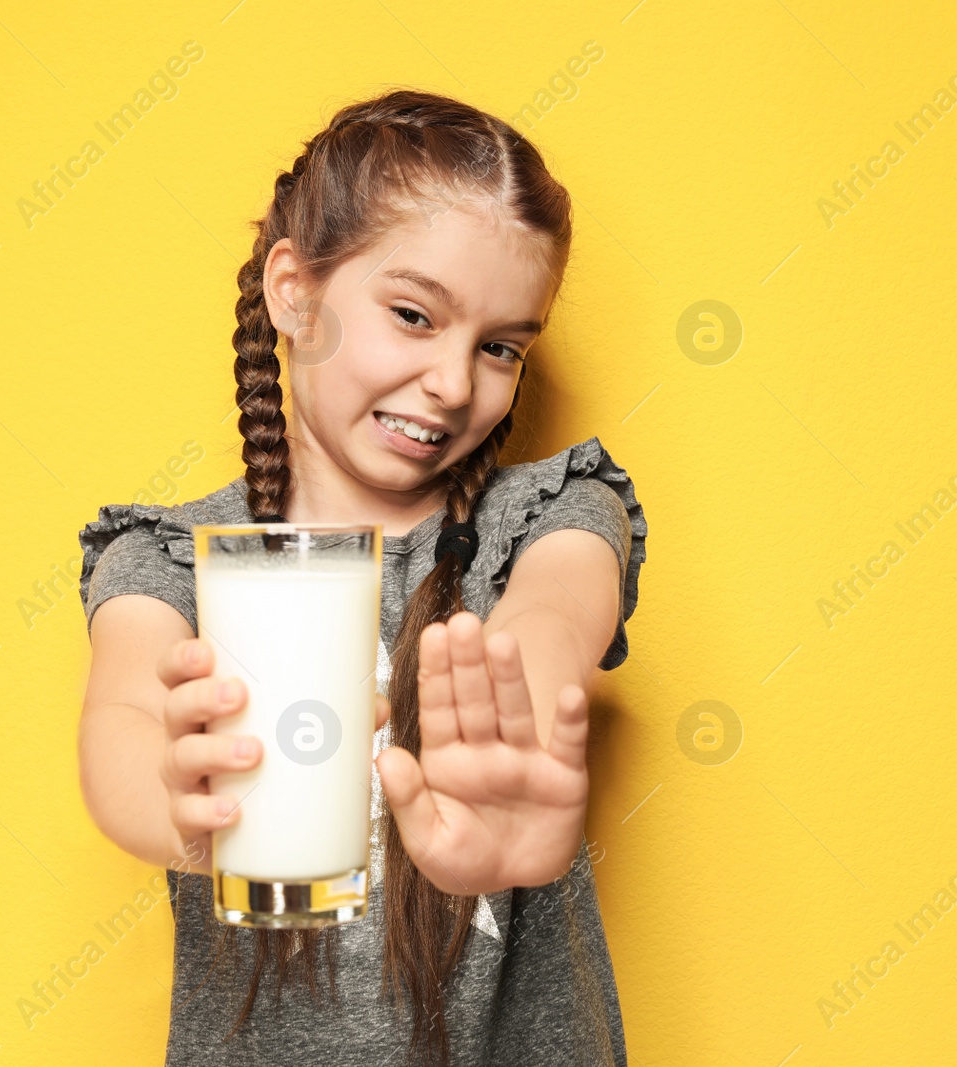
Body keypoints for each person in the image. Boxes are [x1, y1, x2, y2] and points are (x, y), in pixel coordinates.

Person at [75, 88, 647, 1066]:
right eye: (414, 314)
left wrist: (508, 716)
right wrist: (178, 803)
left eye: (500, 346)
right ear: (293, 293)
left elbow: (553, 618)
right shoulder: (173, 556)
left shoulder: (549, 512)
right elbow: (124, 721)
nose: (456, 383)